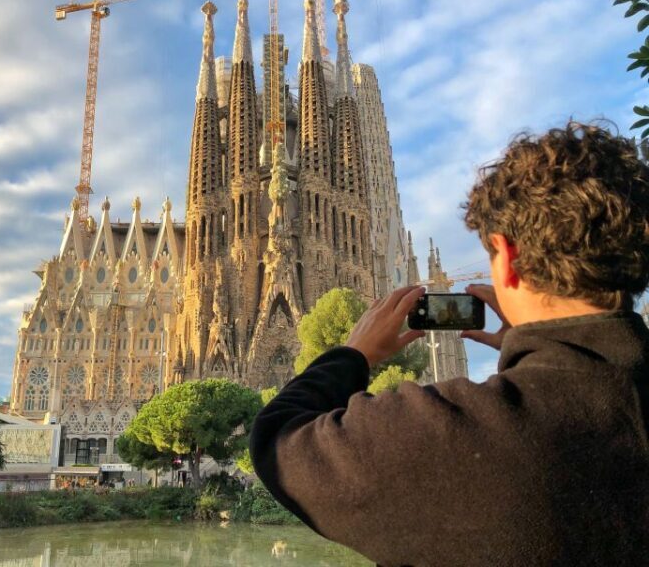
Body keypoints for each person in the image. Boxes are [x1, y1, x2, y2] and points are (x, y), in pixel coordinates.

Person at [250, 123, 649, 566]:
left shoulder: (454, 438)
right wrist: (540, 354)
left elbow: (278, 444)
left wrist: (353, 355)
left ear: (508, 257)